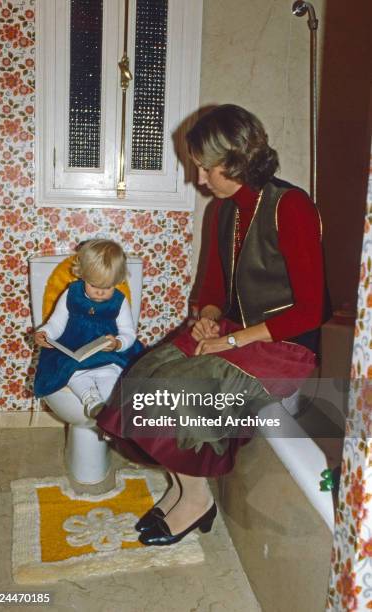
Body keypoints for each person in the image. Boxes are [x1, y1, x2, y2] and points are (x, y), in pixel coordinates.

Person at [96, 104, 325, 546]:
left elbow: (309, 311)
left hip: (284, 347)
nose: (198, 179)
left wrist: (231, 339)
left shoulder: (291, 207)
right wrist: (207, 320)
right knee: (142, 375)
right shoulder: (221, 212)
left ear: (236, 160)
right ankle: (182, 488)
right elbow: (214, 291)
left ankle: (197, 499)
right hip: (235, 335)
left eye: (205, 168)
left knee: (176, 394)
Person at [34, 239, 143, 418]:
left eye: (107, 287)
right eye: (94, 285)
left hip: (107, 354)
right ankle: (91, 401)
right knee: (72, 374)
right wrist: (45, 333)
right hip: (73, 352)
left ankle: (111, 418)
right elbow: (57, 323)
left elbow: (128, 333)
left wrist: (118, 343)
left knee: (111, 377)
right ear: (82, 275)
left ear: (117, 281)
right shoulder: (71, 293)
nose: (100, 292)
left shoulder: (119, 301)